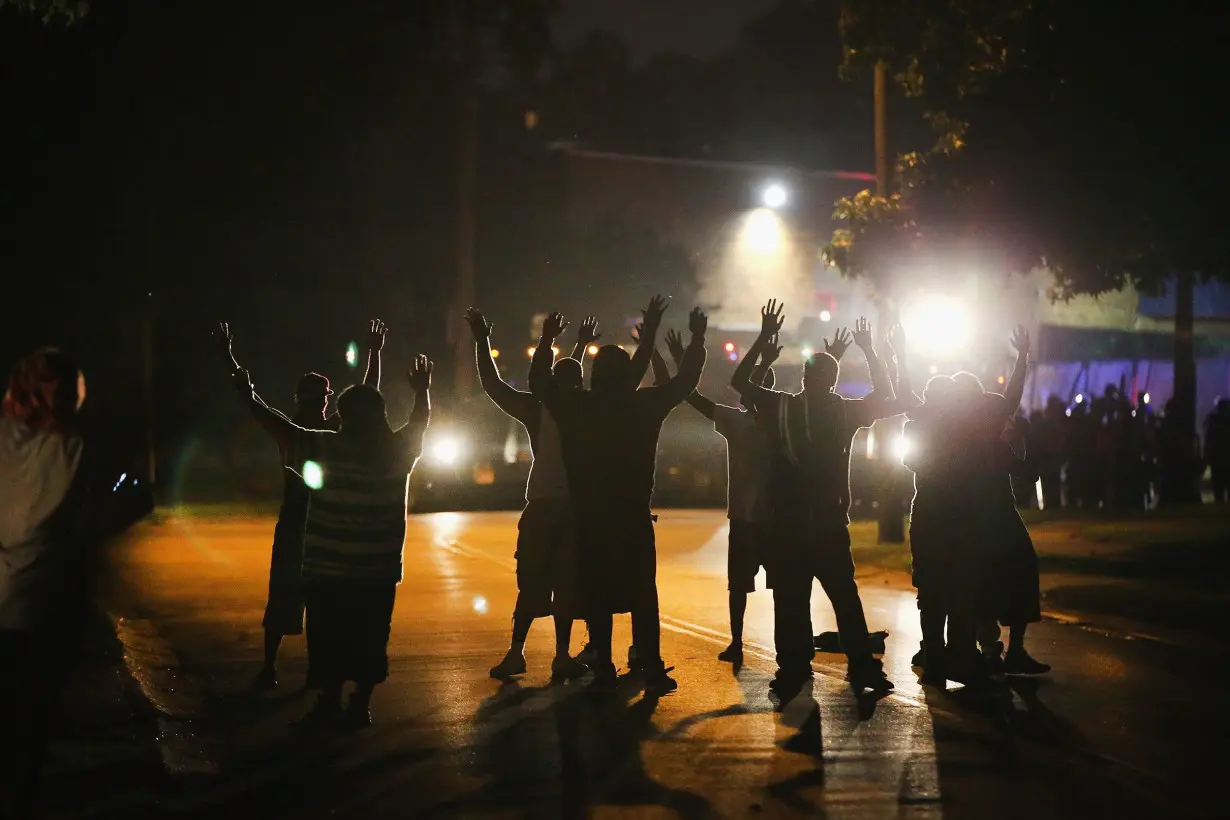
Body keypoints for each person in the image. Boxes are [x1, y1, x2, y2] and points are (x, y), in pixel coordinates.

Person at [226, 347, 432, 726]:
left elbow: (272, 422)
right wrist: (422, 390)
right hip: (378, 571)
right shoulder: (398, 452)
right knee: (370, 636)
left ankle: (329, 701)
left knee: (327, 636)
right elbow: (420, 422)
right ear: (381, 416)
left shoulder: (323, 446)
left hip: (329, 569)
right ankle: (360, 704)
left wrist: (245, 388)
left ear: (344, 417)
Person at [0, 349, 149, 817]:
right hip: (41, 610)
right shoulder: (73, 450)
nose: (62, 394)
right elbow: (82, 527)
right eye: (55, 384)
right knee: (27, 733)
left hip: (32, 609)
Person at [531, 300, 706, 695]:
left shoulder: (577, 407)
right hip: (632, 516)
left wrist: (546, 341)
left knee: (597, 592)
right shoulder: (644, 406)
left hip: (589, 517)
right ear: (628, 376)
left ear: (593, 376)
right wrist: (694, 338)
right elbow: (687, 379)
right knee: (643, 593)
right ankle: (652, 663)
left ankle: (605, 663)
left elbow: (540, 383)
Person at [732, 302, 902, 699]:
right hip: (826, 521)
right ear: (833, 380)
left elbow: (740, 381)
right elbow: (888, 395)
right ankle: (862, 666)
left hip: (786, 522)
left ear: (805, 377)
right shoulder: (842, 411)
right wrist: (871, 350)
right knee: (844, 596)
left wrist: (762, 338)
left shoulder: (782, 405)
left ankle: (792, 669)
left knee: (790, 600)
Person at [213, 320, 385, 692]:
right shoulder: (329, 433)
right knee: (323, 600)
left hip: (296, 520)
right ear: (325, 400)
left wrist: (227, 353)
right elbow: (366, 394)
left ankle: (271, 667)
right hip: (322, 522)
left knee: (286, 594)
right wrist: (374, 351)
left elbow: (249, 398)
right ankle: (314, 673)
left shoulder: (291, 432)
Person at [464, 306, 590, 682]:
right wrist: (577, 348)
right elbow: (562, 382)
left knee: (534, 583)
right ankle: (561, 655)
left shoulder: (539, 409)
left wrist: (483, 340)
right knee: (564, 584)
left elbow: (493, 384)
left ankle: (520, 652)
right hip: (570, 508)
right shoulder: (584, 408)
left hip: (544, 506)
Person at [650, 328, 777, 665]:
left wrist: (682, 363)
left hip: (751, 519)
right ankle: (776, 647)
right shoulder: (779, 422)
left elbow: (693, 399)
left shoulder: (738, 420)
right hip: (772, 519)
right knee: (777, 586)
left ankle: (737, 643)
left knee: (740, 586)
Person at [1204, 399, 1230, 503]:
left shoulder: (1213, 423)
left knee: (1218, 490)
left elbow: (1209, 443)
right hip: (1222, 460)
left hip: (1218, 460)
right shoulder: (1218, 423)